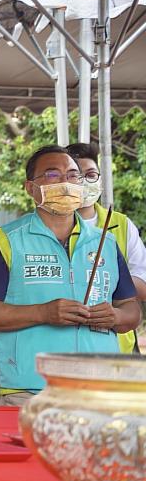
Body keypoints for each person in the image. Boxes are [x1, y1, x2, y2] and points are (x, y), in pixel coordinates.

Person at [0, 145, 141, 406]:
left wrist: (115, 316)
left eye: (73, 176)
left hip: (99, 387)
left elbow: (130, 309)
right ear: (30, 188)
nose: (65, 182)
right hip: (31, 389)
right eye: (52, 175)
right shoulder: (5, 240)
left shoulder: (105, 241)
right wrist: (43, 313)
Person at [66, 142, 146, 353]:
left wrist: (109, 282)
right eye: (77, 176)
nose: (85, 182)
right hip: (66, 345)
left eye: (91, 175)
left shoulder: (120, 224)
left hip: (117, 346)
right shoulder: (51, 226)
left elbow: (144, 284)